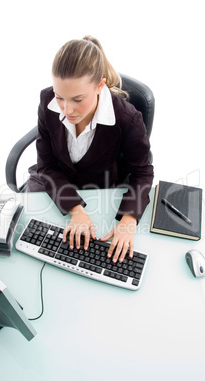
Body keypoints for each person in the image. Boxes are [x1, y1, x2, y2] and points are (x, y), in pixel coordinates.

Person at [27, 35, 154, 263]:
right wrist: (75, 210)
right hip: (54, 183)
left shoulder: (127, 118)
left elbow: (142, 172)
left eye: (77, 99)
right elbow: (46, 165)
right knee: (31, 244)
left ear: (99, 85)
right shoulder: (47, 101)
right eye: (60, 97)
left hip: (97, 190)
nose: (66, 109)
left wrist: (128, 220)